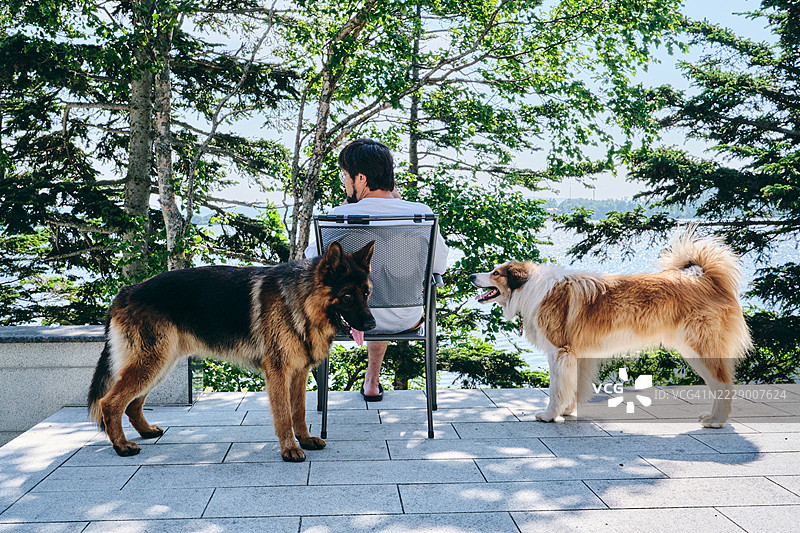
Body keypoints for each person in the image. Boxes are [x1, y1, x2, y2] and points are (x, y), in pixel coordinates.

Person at [305, 138, 448, 401]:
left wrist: (349, 211)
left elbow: (312, 265)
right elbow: (438, 267)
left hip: (349, 319)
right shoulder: (420, 215)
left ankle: (343, 393)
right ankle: (372, 380)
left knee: (365, 297)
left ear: (360, 178)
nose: (344, 181)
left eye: (345, 175)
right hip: (406, 317)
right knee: (378, 288)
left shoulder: (338, 217)